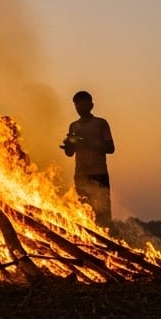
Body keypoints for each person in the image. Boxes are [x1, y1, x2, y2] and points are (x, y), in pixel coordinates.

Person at [60, 91, 115, 227]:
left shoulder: (100, 123)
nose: (79, 108)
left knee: (103, 213)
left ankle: (107, 240)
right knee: (84, 212)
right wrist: (68, 146)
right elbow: (70, 153)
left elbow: (110, 148)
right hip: (81, 175)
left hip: (99, 174)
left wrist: (88, 143)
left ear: (91, 105)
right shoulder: (73, 126)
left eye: (82, 104)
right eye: (77, 105)